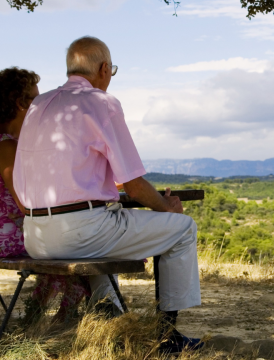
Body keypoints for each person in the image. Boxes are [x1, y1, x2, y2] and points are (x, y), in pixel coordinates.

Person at [14, 37, 202, 353]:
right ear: (104, 69)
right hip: (81, 231)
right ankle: (165, 337)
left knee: (98, 244)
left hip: (35, 236)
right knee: (182, 230)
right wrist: (167, 206)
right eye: (111, 69)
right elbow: (134, 185)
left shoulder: (39, 105)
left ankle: (116, 329)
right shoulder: (102, 103)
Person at [0, 68, 90, 323]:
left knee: (63, 238)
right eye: (36, 99)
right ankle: (63, 321)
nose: (40, 106)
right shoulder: (4, 145)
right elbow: (26, 204)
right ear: (21, 103)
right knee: (76, 240)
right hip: (0, 241)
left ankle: (35, 317)